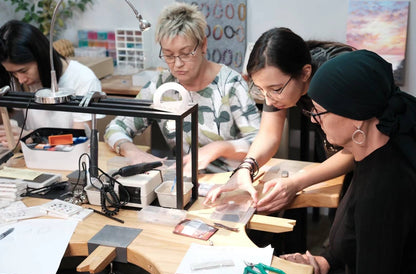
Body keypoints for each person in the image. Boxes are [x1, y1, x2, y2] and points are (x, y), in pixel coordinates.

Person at [280, 50, 416, 274]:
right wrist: (324, 263)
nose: (314, 119)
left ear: (356, 117)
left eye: (319, 112)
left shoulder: (383, 190)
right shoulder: (370, 157)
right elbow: (355, 245)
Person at [204, 27, 355, 212]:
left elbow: (355, 149)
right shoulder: (281, 80)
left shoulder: (334, 76)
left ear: (305, 73)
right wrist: (245, 169)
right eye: (261, 89)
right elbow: (269, 134)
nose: (268, 100)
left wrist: (296, 182)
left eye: (275, 89)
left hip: (378, 154)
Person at [104, 2, 260, 174]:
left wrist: (219, 147)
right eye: (169, 55)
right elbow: (115, 127)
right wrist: (133, 153)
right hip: (183, 182)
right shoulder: (161, 86)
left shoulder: (230, 84)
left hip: (229, 180)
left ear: (203, 45)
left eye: (186, 53)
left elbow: (259, 142)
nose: (177, 64)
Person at [0, 20, 102, 146]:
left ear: (41, 57)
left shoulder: (83, 79)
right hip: (32, 156)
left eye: (24, 71)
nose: (21, 80)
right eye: (13, 73)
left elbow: (77, 139)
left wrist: (30, 137)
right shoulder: (17, 79)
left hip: (72, 158)